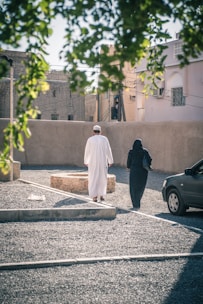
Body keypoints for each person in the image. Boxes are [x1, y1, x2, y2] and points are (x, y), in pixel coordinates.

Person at [84, 125, 114, 202]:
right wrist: (110, 161)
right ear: (100, 131)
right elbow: (108, 150)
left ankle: (94, 196)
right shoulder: (105, 139)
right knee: (102, 178)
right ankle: (102, 195)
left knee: (93, 178)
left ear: (93, 132)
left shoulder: (90, 139)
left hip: (92, 162)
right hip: (103, 162)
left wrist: (86, 161)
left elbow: (87, 151)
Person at [127, 139, 152, 209]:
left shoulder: (131, 152)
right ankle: (138, 201)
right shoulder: (144, 152)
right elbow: (149, 160)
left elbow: (128, 162)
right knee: (141, 187)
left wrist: (128, 167)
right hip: (143, 172)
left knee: (133, 187)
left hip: (134, 172)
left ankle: (135, 203)